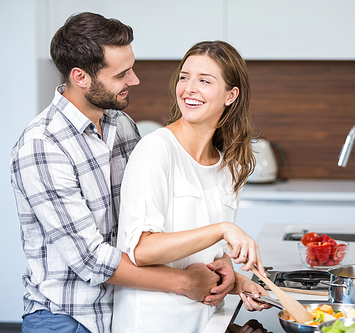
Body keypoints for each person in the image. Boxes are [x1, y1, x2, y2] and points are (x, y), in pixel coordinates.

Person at [10, 13, 246, 333]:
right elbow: (91, 260)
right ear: (81, 77)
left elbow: (145, 220)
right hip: (67, 317)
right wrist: (185, 282)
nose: (134, 80)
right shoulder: (42, 146)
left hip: (121, 307)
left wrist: (222, 268)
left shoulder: (121, 126)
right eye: (122, 74)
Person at [113, 40, 269, 333]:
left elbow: (204, 252)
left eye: (204, 81)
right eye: (184, 77)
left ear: (230, 95)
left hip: (206, 319)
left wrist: (235, 280)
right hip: (152, 323)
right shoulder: (156, 150)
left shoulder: (229, 165)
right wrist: (223, 229)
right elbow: (141, 250)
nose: (189, 88)